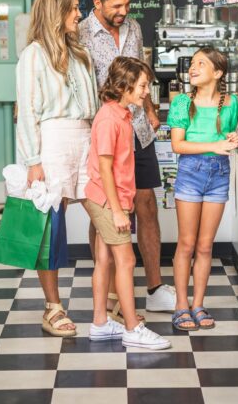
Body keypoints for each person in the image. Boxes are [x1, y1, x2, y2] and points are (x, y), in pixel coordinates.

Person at [79, 0, 176, 318]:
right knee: (104, 210)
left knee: (147, 203)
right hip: (107, 131)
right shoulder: (81, 34)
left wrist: (149, 108)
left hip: (139, 130)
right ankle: (105, 294)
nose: (123, 11)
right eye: (117, 6)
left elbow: (141, 70)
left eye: (126, 4)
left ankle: (154, 288)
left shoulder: (133, 27)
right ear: (98, 2)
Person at [16, 0, 98, 337]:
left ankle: (112, 294)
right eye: (74, 8)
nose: (79, 14)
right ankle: (53, 307)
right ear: (57, 12)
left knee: (105, 212)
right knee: (50, 226)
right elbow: (28, 111)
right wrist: (33, 160)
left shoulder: (81, 53)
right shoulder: (33, 55)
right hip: (51, 143)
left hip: (85, 137)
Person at [84, 56, 171, 350]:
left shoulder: (122, 114)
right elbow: (105, 168)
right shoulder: (109, 119)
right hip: (108, 201)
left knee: (105, 259)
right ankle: (132, 327)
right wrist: (118, 210)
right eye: (143, 85)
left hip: (106, 198)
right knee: (127, 260)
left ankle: (100, 322)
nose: (147, 91)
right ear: (125, 85)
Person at [167, 46, 238, 331]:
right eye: (192, 64)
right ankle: (181, 305)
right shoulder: (182, 102)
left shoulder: (231, 102)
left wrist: (233, 137)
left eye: (201, 63)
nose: (193, 68)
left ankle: (198, 304)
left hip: (219, 175)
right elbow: (177, 145)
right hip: (190, 174)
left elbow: (231, 134)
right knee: (186, 243)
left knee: (205, 245)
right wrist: (215, 145)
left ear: (218, 72)